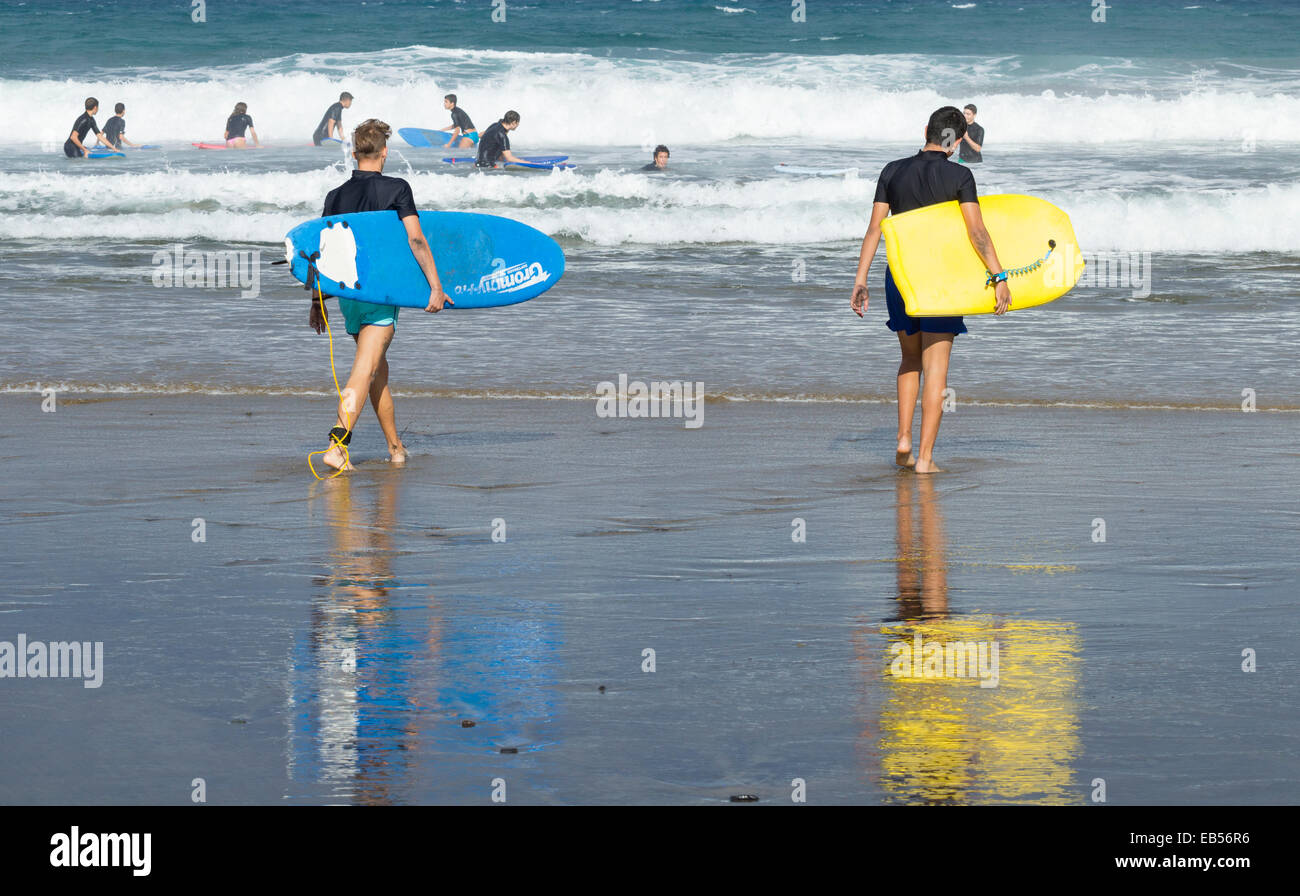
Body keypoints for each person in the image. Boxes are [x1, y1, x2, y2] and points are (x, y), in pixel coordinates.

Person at [850, 106, 1011, 474]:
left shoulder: (892, 170)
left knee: (909, 359)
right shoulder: (960, 175)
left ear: (926, 130)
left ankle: (903, 438)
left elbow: (875, 229)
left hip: (900, 278)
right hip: (941, 281)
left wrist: (861, 280)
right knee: (935, 368)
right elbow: (977, 233)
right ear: (954, 143)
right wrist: (999, 277)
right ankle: (924, 459)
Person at [310, 118, 451, 471]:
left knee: (376, 372)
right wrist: (435, 286)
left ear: (354, 152)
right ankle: (337, 445)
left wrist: (316, 301)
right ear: (384, 152)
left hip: (348, 296)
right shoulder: (397, 188)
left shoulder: (335, 195)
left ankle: (395, 447)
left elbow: (324, 252)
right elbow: (416, 240)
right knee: (364, 370)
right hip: (380, 293)